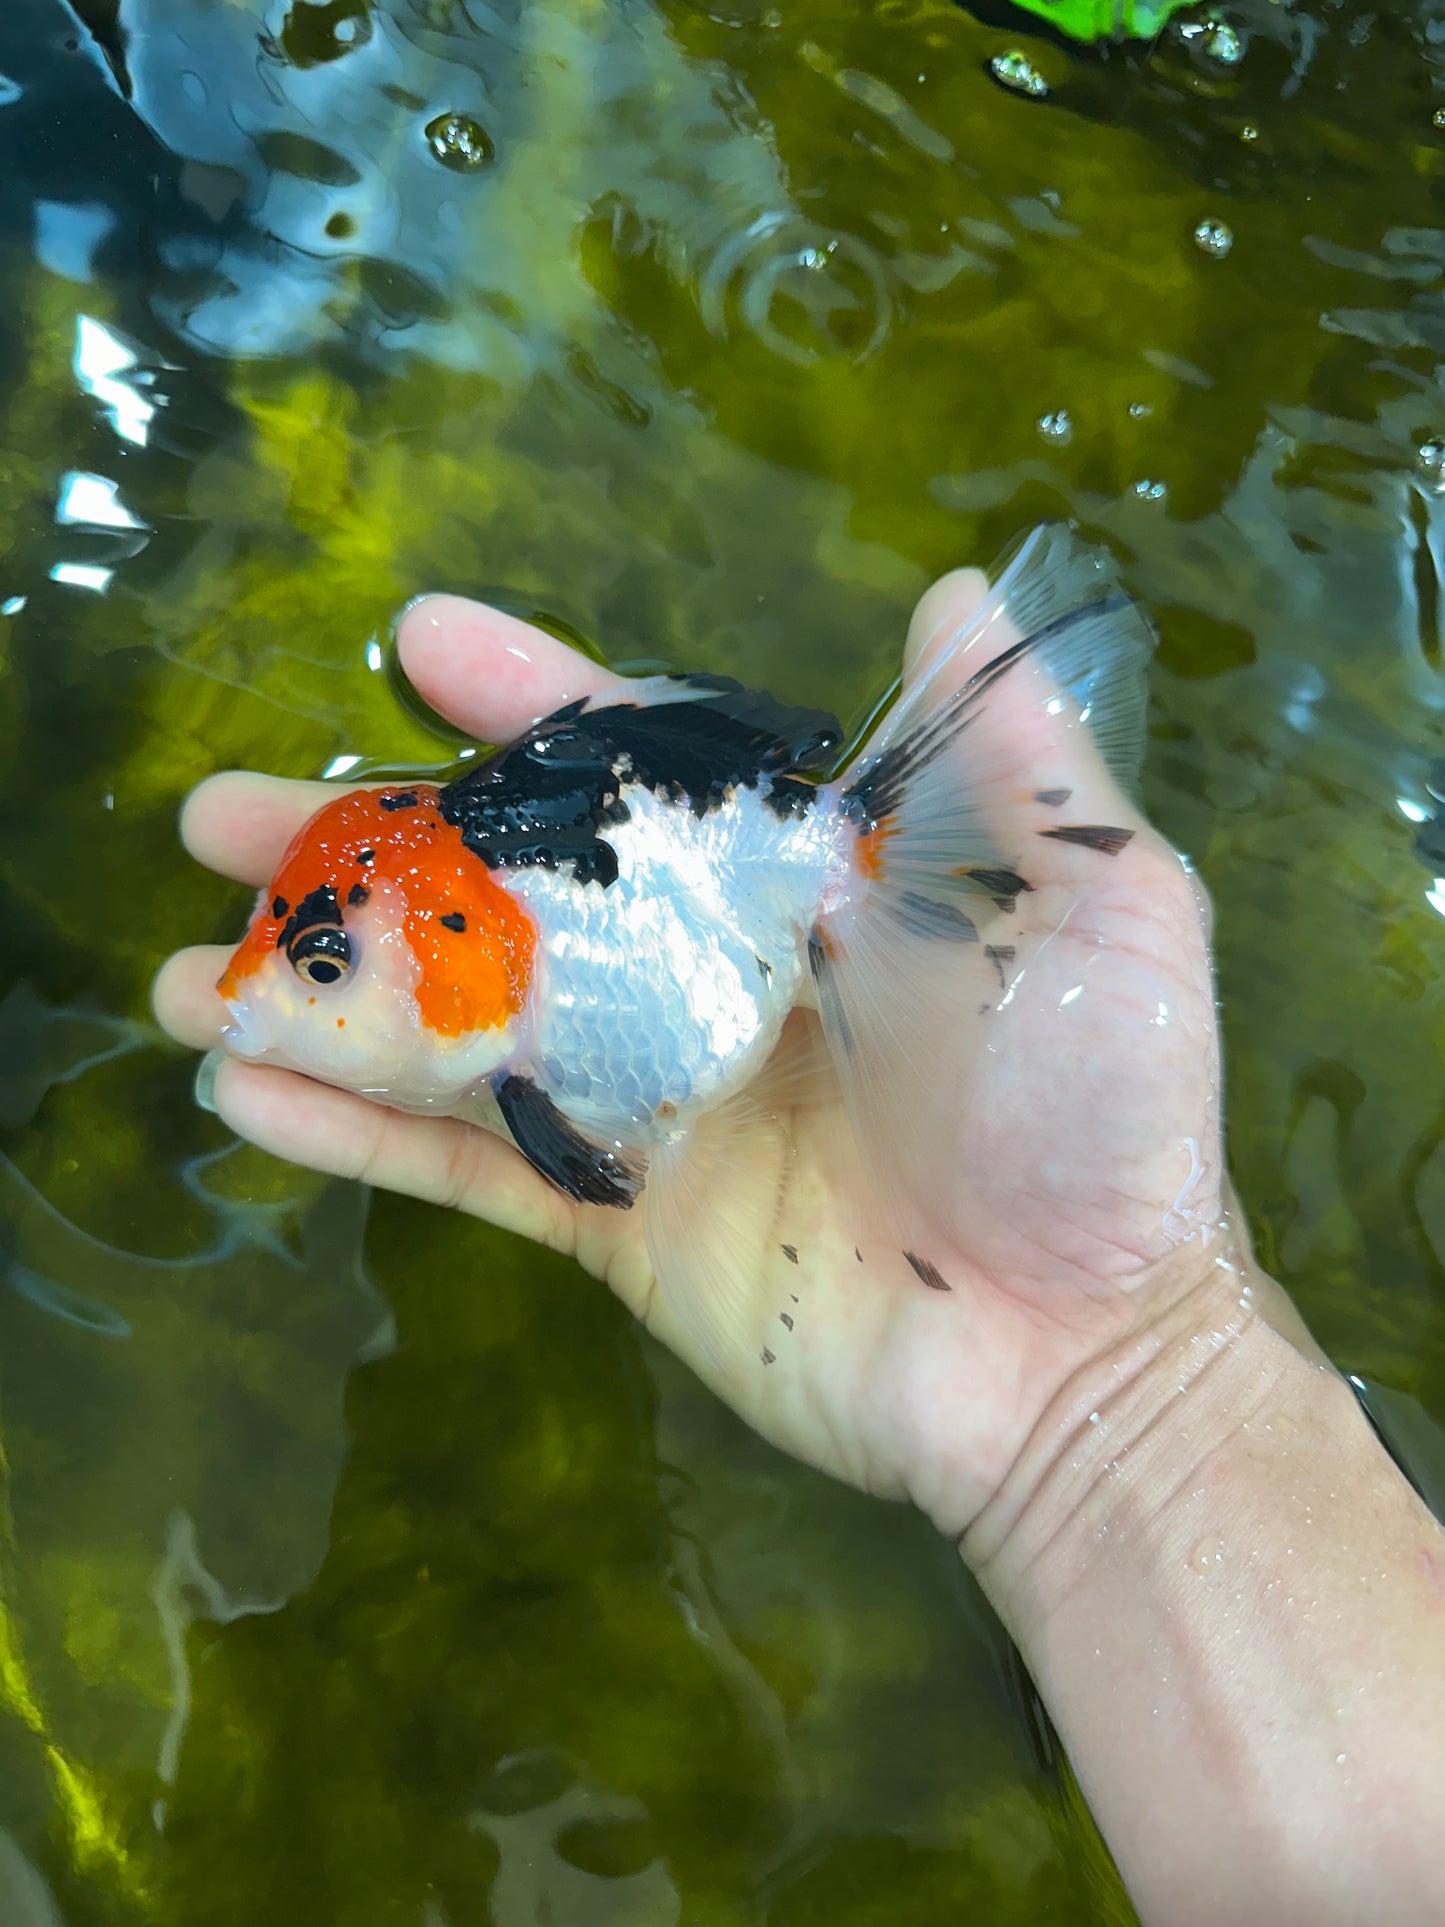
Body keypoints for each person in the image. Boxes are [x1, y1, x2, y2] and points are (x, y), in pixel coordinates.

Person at [154, 566, 1445, 1927]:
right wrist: (1134, 1390)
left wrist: (1128, 1370)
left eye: (319, 973)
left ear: (452, 946)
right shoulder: (481, 989)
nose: (283, 995)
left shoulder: (548, 988)